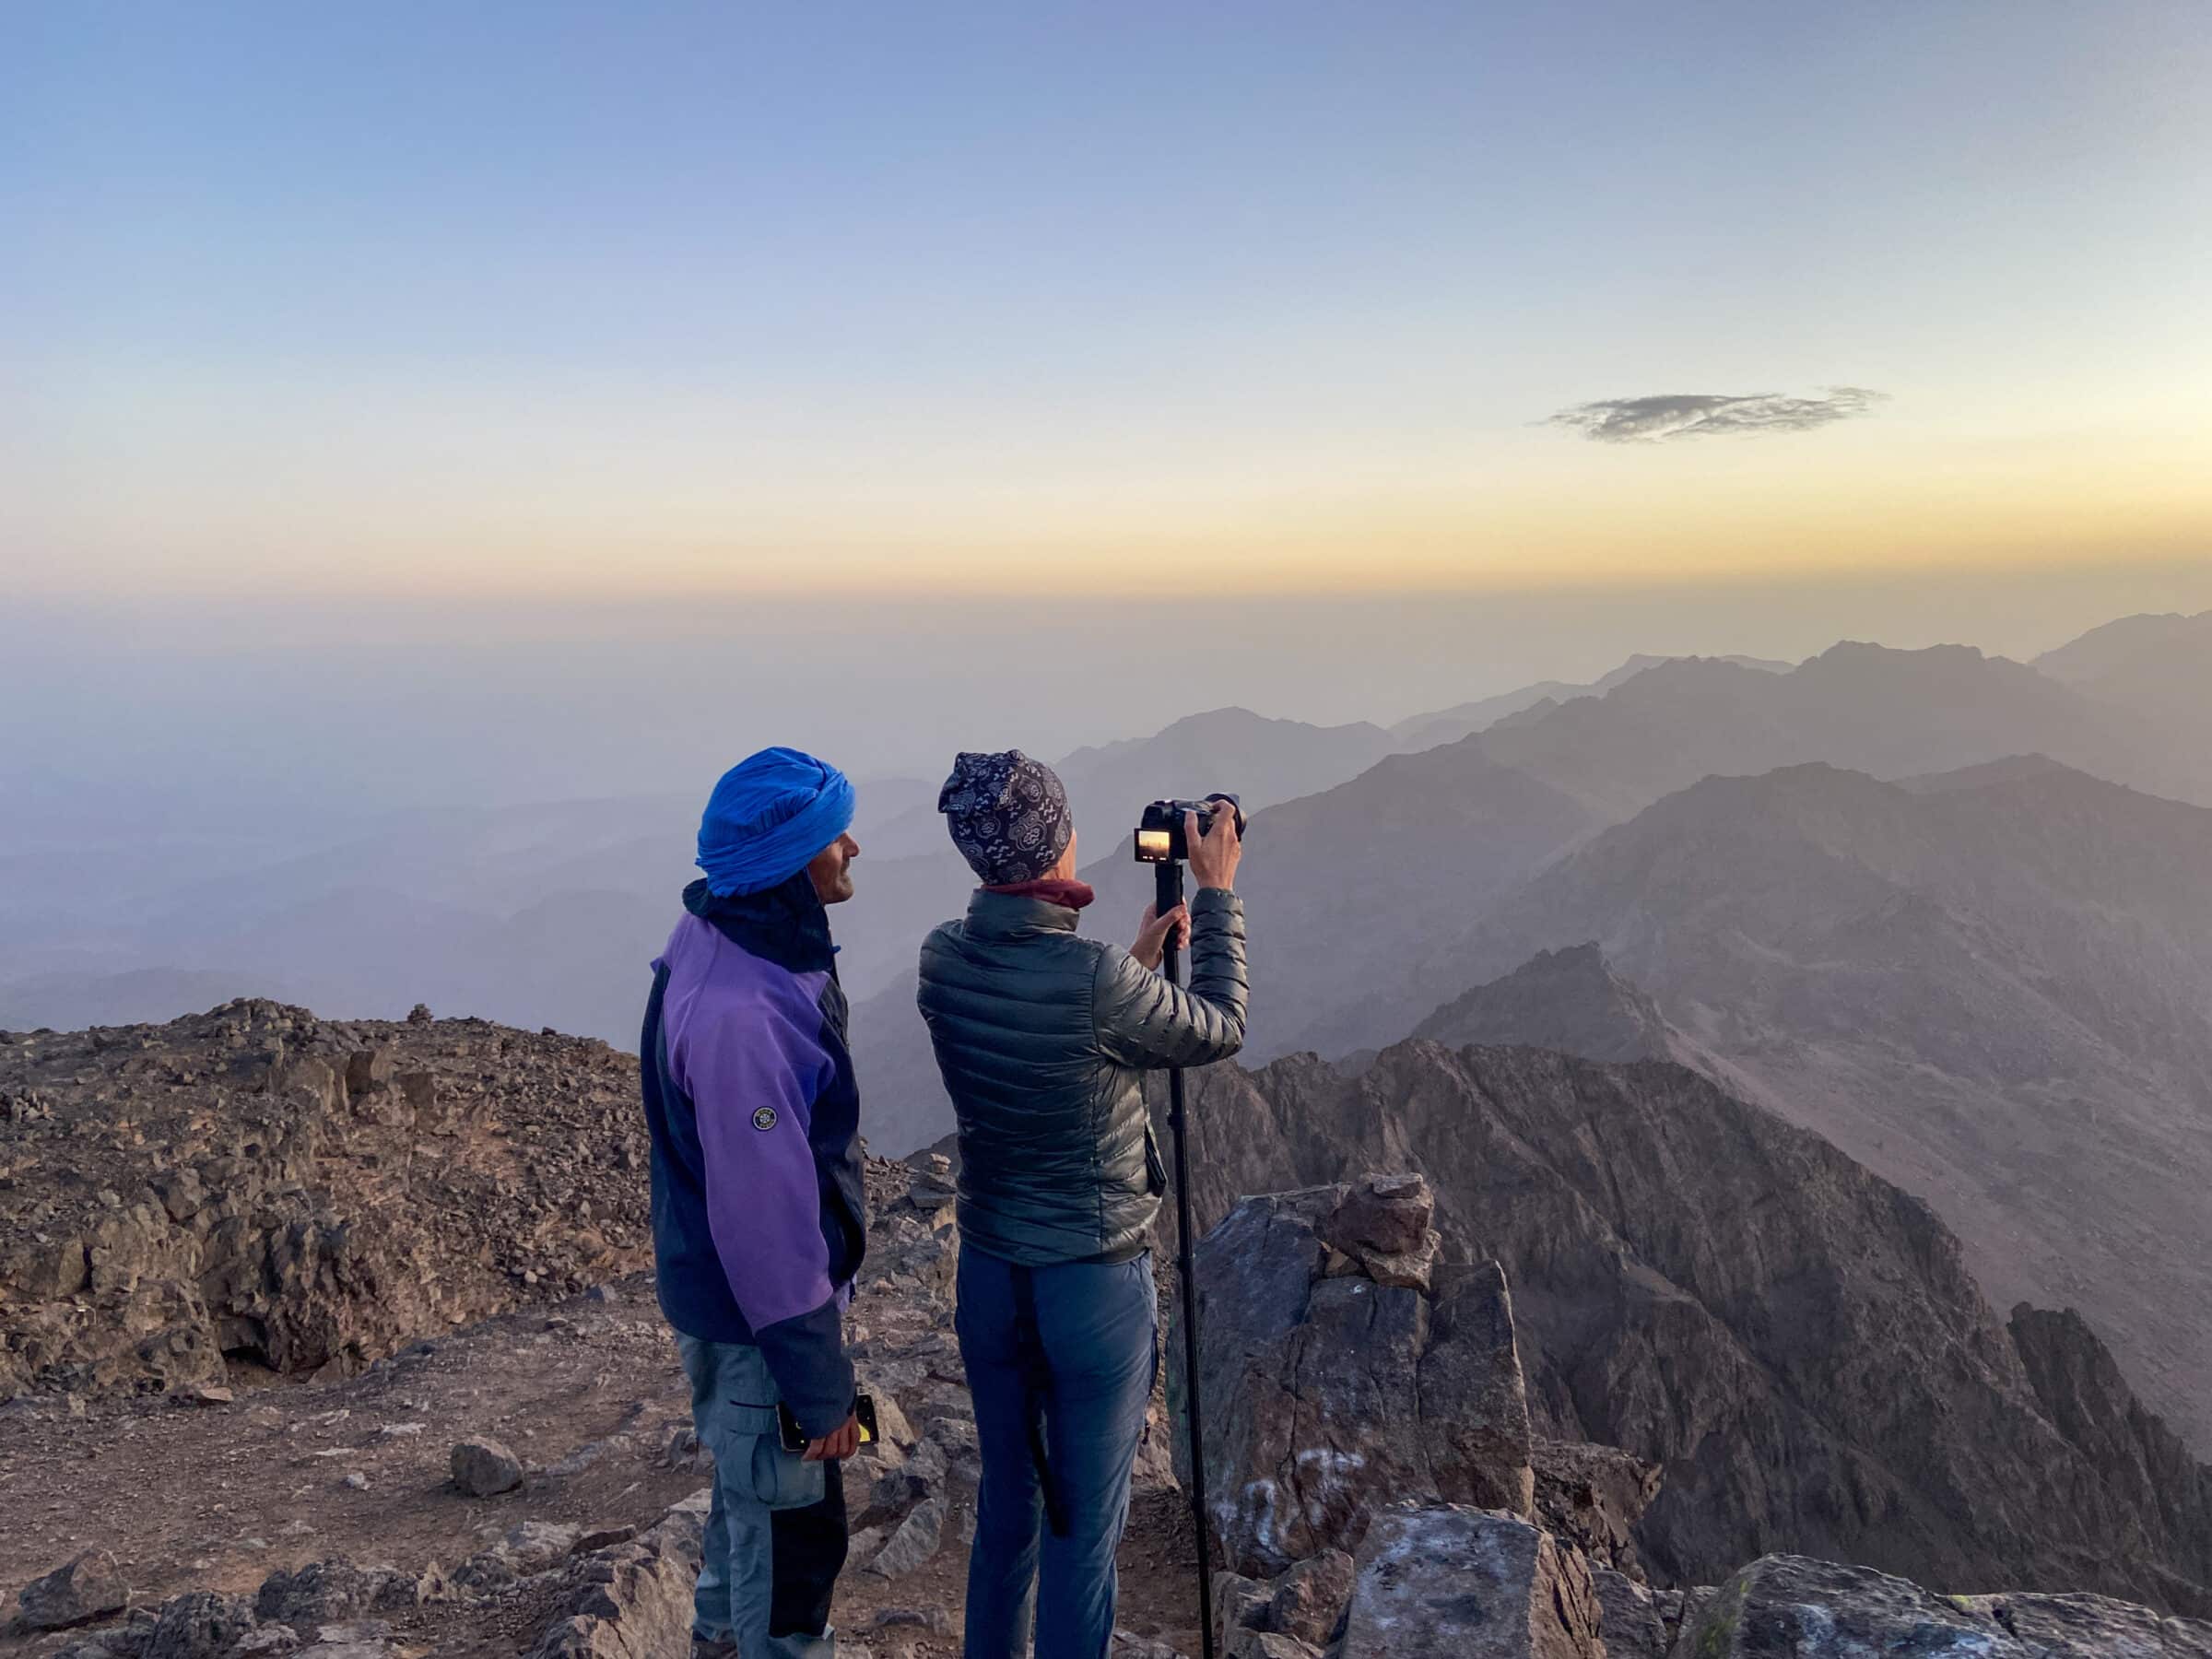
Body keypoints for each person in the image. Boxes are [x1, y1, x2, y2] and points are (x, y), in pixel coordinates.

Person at [916, 750, 1248, 1659]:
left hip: (990, 1282)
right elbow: (1219, 1026)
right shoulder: (1094, 980)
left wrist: (1133, 969)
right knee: (1081, 1540)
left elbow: (1047, 1062)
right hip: (1092, 1293)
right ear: (1051, 846)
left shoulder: (942, 959)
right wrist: (1215, 896)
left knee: (1008, 1517)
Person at [639, 747, 869, 1659]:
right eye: (830, 835)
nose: (852, 847)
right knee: (794, 1560)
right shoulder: (747, 1016)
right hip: (759, 1334)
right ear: (788, 862)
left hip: (724, 1314)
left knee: (749, 1523)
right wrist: (819, 1393)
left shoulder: (723, 936)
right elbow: (767, 1229)